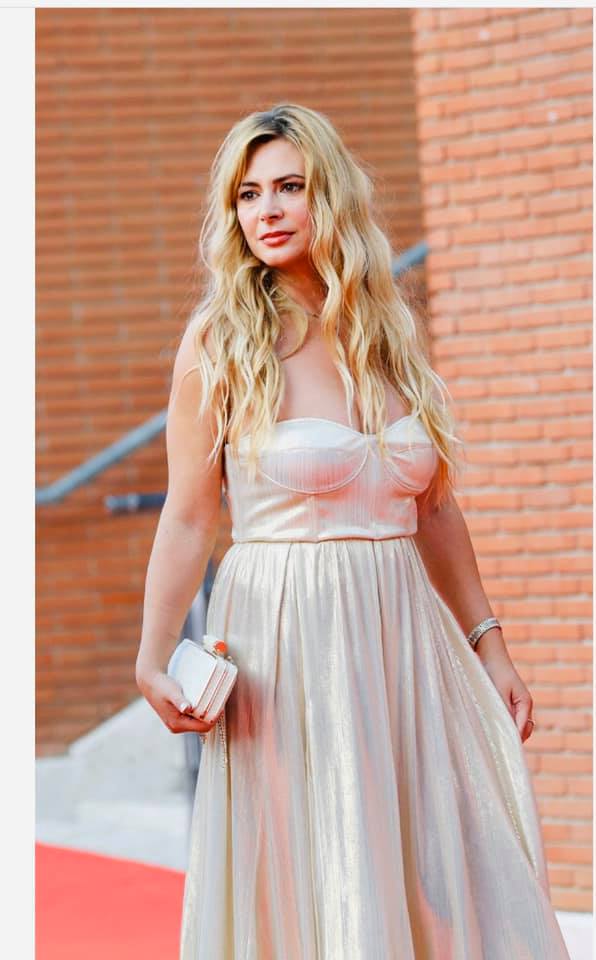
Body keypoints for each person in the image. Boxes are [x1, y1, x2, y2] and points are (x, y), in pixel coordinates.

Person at [135, 103, 571, 959]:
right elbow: (188, 514)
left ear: (330, 195)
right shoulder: (220, 343)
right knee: (318, 865)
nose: (266, 210)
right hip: (286, 639)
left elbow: (433, 507)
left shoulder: (389, 334)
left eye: (289, 187)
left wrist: (490, 643)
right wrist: (152, 656)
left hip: (404, 634)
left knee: (446, 861)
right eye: (248, 194)